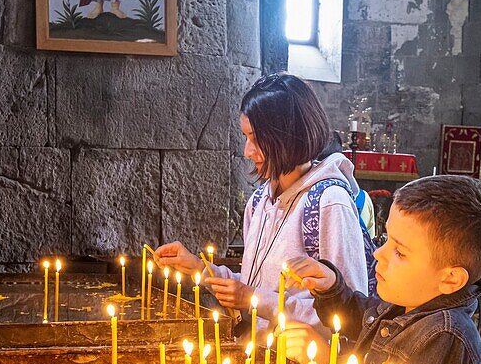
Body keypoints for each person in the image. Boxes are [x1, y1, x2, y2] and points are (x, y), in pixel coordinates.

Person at [284, 175, 481, 364]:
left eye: (400, 252)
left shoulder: (445, 336)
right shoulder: (406, 302)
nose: (379, 253)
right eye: (387, 239)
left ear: (449, 278)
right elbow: (360, 315)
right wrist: (331, 286)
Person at [154, 73, 369, 336]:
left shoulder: (329, 202)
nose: (247, 151)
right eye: (246, 137)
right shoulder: (259, 202)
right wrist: (200, 269)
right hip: (257, 355)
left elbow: (351, 316)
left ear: (288, 137)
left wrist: (255, 299)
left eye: (256, 139)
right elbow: (252, 286)